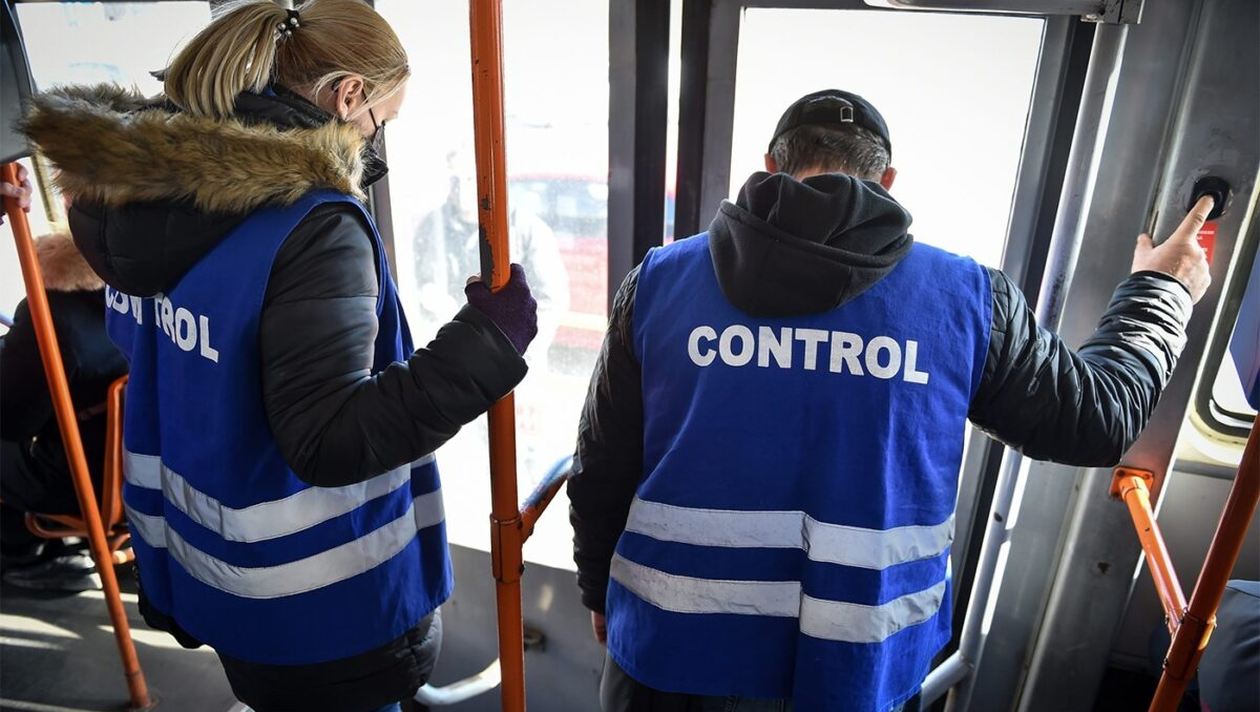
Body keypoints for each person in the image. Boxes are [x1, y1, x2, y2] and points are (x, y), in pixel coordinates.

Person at [567, 89, 1212, 712]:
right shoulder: (966, 300)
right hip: (859, 667)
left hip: (669, 653)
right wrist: (1163, 289)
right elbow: (1096, 419)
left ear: (771, 166)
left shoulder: (659, 283)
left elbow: (601, 464)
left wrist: (599, 587)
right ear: (888, 181)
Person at [22, 2, 538, 711]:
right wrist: (488, 342)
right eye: (380, 121)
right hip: (327, 606)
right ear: (347, 95)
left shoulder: (133, 198)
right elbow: (331, 438)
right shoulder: (313, 225)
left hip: (210, 575)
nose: (374, 143)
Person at [1, 224, 127, 592]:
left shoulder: (50, 311)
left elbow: (14, 420)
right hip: (142, 474)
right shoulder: (135, 296)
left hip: (77, 484)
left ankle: (22, 551)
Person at [414, 146, 570, 362]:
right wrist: (429, 298)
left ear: (487, 177)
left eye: (470, 179)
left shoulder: (528, 229)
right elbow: (420, 283)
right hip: (454, 355)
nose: (461, 188)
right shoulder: (432, 227)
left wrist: (518, 355)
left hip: (512, 360)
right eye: (454, 179)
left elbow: (551, 299)